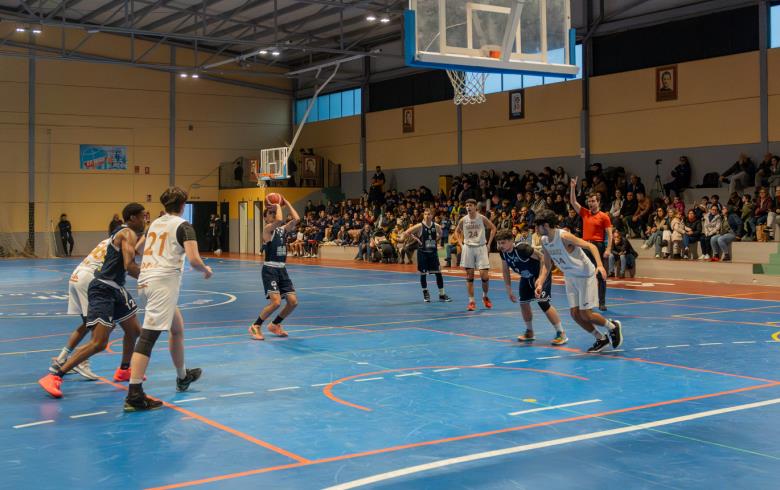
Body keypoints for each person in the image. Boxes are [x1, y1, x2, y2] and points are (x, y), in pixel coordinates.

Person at [38, 203, 147, 398]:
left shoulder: (125, 233)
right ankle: (55, 376)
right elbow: (130, 265)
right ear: (132, 218)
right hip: (103, 288)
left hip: (115, 288)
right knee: (98, 342)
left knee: (134, 331)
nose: (145, 220)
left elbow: (130, 261)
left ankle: (124, 369)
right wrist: (151, 279)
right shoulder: (128, 233)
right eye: (142, 217)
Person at [124, 187, 213, 411]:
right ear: (183, 205)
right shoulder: (184, 226)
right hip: (162, 284)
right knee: (148, 337)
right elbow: (193, 260)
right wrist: (205, 269)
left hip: (145, 281)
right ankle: (134, 394)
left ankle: (182, 376)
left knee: (177, 328)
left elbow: (139, 249)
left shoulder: (155, 223)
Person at [534, 209, 623, 353]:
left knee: (586, 314)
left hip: (584, 275)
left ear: (546, 225)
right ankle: (601, 338)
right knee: (575, 314)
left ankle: (613, 326)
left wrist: (600, 266)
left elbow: (591, 246)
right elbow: (547, 263)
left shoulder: (564, 236)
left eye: (537, 226)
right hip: (570, 276)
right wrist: (540, 281)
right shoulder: (544, 241)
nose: (536, 229)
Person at [49, 238, 113, 381]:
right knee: (101, 323)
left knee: (87, 323)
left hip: (77, 274)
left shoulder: (107, 240)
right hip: (89, 278)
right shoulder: (126, 238)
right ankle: (82, 361)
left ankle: (61, 360)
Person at [497, 229, 567, 345]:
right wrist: (508, 289)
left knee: (543, 302)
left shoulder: (522, 249)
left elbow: (543, 258)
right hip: (526, 276)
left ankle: (561, 333)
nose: (500, 246)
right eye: (499, 243)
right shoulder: (503, 253)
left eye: (503, 243)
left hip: (540, 274)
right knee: (523, 303)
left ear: (511, 241)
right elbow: (505, 271)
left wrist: (540, 279)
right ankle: (530, 332)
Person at [249, 195, 300, 340]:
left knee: (292, 302)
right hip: (270, 269)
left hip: (282, 269)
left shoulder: (282, 230)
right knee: (276, 302)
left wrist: (286, 201)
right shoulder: (267, 229)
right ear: (265, 218)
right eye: (269, 213)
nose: (273, 214)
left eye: (273, 212)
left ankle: (275, 324)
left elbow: (296, 219)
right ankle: (255, 326)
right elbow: (279, 220)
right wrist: (277, 206)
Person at [570, 178, 612, 311]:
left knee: (601, 275)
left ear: (598, 202)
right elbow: (573, 202)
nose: (591, 203)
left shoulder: (604, 216)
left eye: (593, 201)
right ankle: (587, 301)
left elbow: (610, 234)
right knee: (585, 274)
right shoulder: (585, 213)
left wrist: (608, 249)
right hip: (585, 246)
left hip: (598, 247)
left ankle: (602, 302)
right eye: (589, 201)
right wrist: (572, 188)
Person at [401, 208, 452, 303]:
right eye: (425, 214)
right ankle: (425, 293)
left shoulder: (436, 226)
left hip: (432, 253)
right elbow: (407, 232)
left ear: (432, 216)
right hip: (423, 253)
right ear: (423, 215)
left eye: (429, 214)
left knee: (438, 273)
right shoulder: (420, 226)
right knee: (423, 274)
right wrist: (417, 239)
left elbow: (441, 234)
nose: (427, 216)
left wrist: (435, 241)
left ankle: (442, 294)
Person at [455, 199, 497, 311]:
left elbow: (493, 228)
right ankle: (471, 301)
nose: (468, 207)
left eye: (470, 205)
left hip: (481, 247)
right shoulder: (463, 220)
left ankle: (485, 296)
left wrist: (489, 243)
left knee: (484, 275)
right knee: (470, 276)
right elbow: (456, 232)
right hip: (468, 248)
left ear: (475, 207)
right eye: (467, 205)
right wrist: (461, 244)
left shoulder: (481, 218)